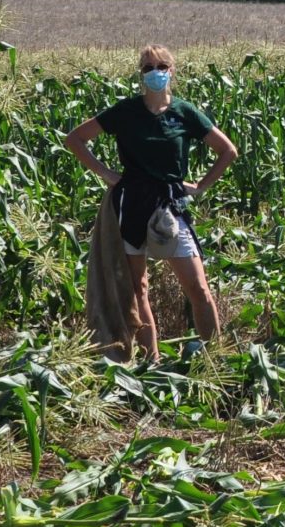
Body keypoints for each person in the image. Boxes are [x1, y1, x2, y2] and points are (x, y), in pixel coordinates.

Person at [66, 45, 237, 362]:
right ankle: (151, 361)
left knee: (198, 289)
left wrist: (200, 186)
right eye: (147, 67)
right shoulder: (127, 110)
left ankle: (217, 356)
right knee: (138, 289)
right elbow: (75, 139)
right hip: (132, 206)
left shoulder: (184, 113)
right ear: (140, 74)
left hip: (170, 208)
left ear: (172, 70)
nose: (154, 72)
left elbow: (228, 151)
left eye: (161, 65)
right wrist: (106, 173)